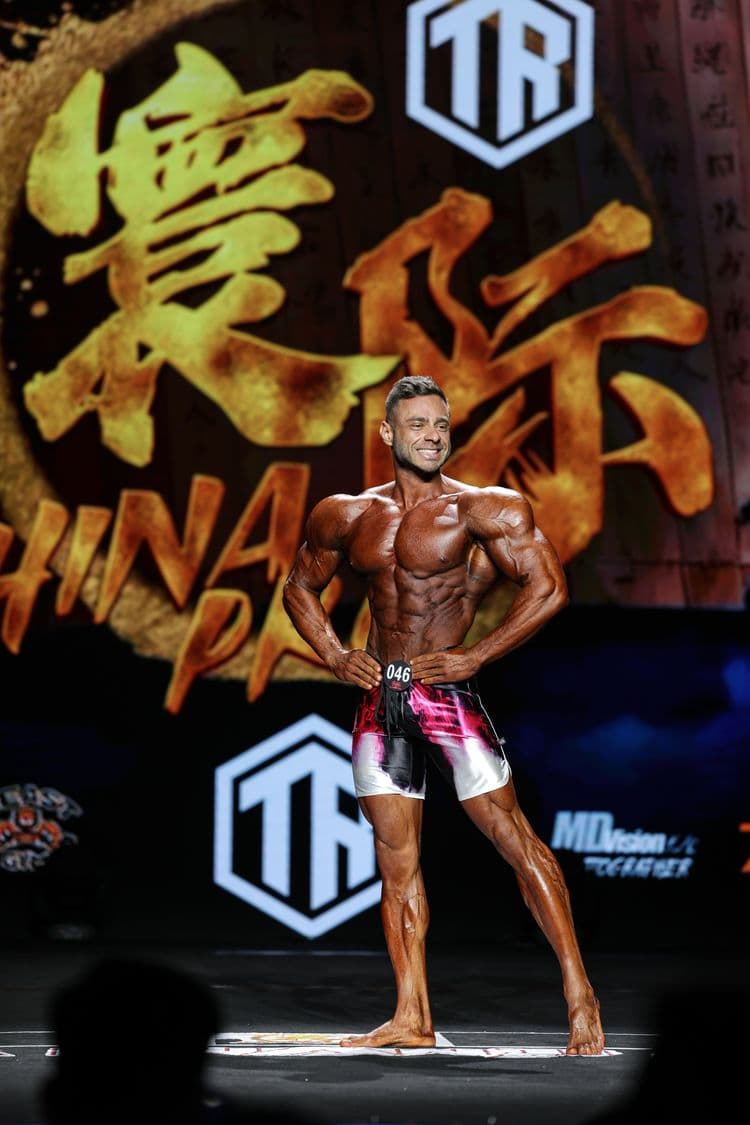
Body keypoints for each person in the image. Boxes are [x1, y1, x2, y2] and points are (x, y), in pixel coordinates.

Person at [283, 374, 604, 1056]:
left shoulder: (483, 508)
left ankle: (581, 996)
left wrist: (476, 655)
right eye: (418, 424)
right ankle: (412, 1015)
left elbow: (548, 588)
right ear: (388, 433)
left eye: (441, 424)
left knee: (513, 839)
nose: (432, 436)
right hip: (382, 698)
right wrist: (336, 654)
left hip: (447, 695)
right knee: (395, 861)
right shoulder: (348, 514)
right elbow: (299, 586)